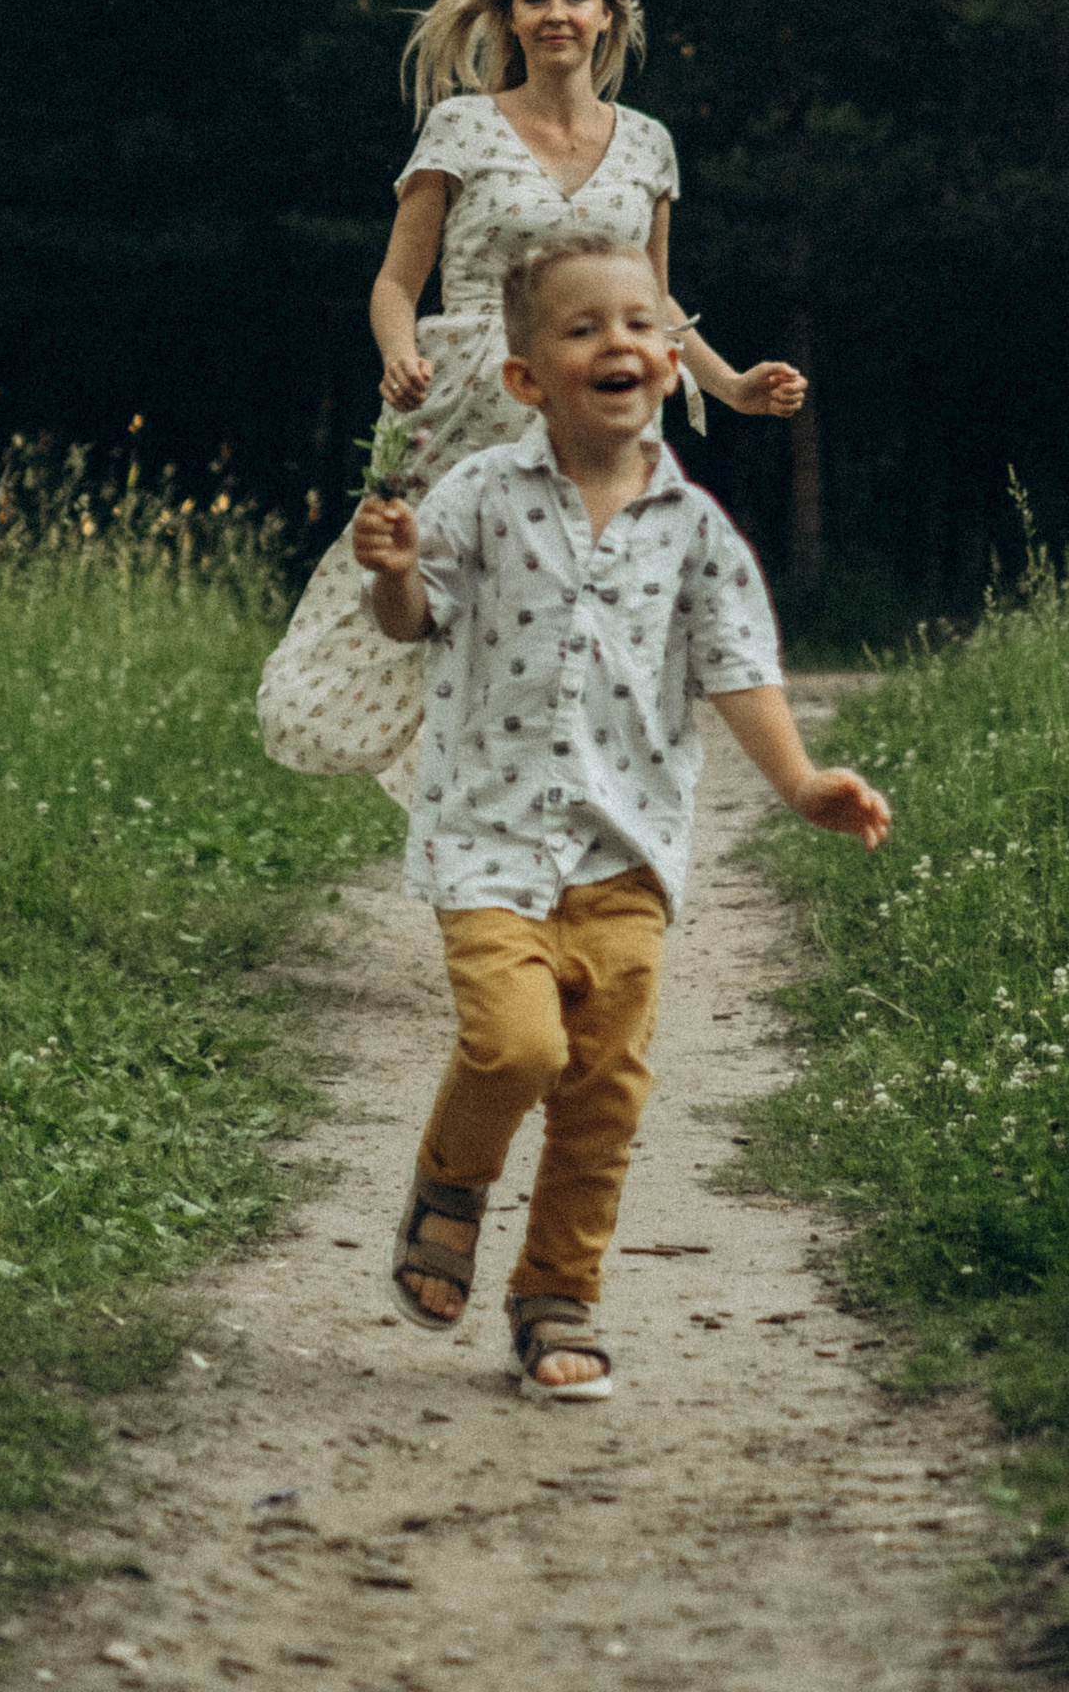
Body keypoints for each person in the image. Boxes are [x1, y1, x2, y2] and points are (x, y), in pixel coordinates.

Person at [351, 227, 889, 1398]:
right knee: (518, 1045)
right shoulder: (481, 494)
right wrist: (391, 568)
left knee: (601, 1092)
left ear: (669, 358)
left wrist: (801, 784)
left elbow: (739, 670)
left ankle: (556, 1296)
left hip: (626, 853)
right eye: (585, 328)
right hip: (487, 836)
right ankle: (453, 1177)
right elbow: (412, 621)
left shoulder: (695, 533)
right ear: (526, 378)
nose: (622, 343)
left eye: (643, 325)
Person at [258, 0, 804, 790]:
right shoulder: (462, 128)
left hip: (600, 408)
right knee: (438, 595)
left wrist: (732, 385)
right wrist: (398, 356)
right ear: (509, 18)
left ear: (606, 18)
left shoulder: (650, 144)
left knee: (579, 608)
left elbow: (652, 299)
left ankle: (567, 797)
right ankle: (469, 800)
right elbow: (398, 283)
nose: (556, 12)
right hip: (469, 400)